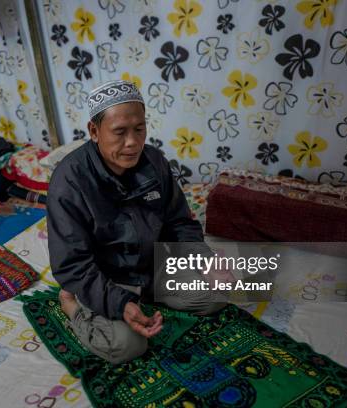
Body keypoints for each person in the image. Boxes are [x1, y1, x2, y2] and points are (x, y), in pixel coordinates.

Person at [47, 80, 225, 364]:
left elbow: (179, 223)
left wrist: (203, 260)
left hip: (150, 267)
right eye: (119, 132)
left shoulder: (154, 162)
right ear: (94, 131)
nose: (132, 142)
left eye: (139, 129)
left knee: (218, 293)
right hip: (105, 280)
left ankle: (146, 295)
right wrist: (120, 303)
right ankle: (73, 307)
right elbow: (73, 265)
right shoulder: (69, 182)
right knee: (128, 347)